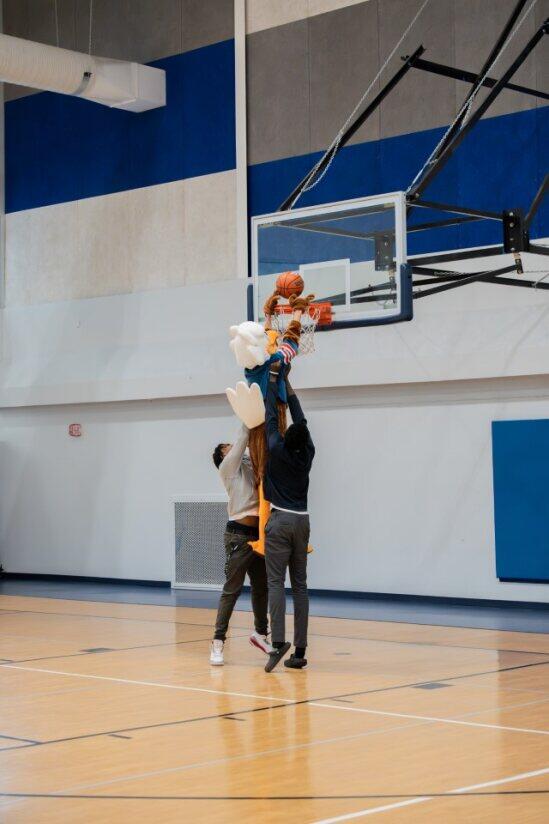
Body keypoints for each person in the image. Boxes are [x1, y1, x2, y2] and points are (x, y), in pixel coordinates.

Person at [263, 366, 315, 672]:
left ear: (286, 437)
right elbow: (300, 418)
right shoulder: (307, 453)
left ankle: (278, 642)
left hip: (281, 519)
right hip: (302, 521)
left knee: (275, 583)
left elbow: (271, 413)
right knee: (300, 586)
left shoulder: (275, 447)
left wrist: (273, 378)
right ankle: (300, 651)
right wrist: (288, 382)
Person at [210, 424, 272, 665]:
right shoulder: (227, 468)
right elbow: (244, 436)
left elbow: (256, 449)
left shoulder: (249, 464)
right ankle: (217, 641)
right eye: (227, 447)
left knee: (261, 587)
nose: (232, 447)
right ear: (223, 456)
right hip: (238, 535)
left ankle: (260, 634)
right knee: (232, 589)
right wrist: (250, 417)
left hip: (258, 534)